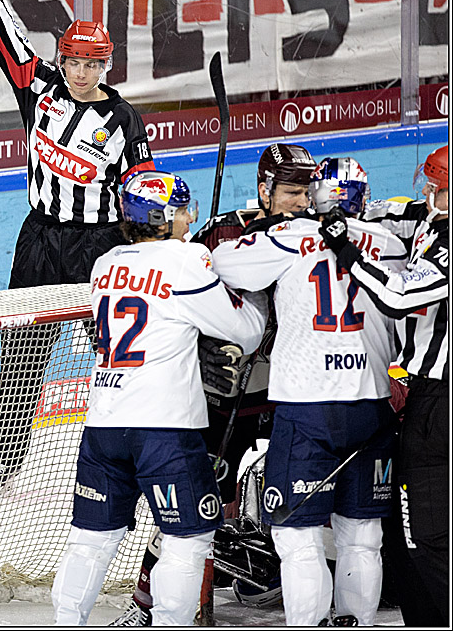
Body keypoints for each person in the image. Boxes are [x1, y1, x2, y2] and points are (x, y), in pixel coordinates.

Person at [111, 142, 318, 625]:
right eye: (290, 191)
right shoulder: (226, 231)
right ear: (264, 189)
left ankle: (271, 573)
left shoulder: (316, 233)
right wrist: (205, 344)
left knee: (302, 488)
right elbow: (181, 294)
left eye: (306, 191)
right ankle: (155, 601)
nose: (300, 202)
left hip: (290, 384)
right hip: (227, 394)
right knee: (201, 495)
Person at [0, 0, 155, 488]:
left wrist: (151, 243)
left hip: (98, 245)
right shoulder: (40, 87)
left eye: (91, 64)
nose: (80, 72)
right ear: (63, 59)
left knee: (115, 352)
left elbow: (143, 187)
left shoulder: (124, 120)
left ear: (106, 66)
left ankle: (123, 453)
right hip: (40, 237)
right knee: (22, 352)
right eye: (73, 61)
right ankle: (6, 457)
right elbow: (5, 34)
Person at [51, 171, 268, 625]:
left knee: (90, 543)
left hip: (104, 423)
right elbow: (244, 332)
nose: (191, 218)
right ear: (164, 216)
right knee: (188, 542)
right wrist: (255, 297)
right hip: (166, 430)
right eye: (184, 210)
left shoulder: (105, 263)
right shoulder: (187, 260)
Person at [210, 157, 408, 626]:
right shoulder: (390, 243)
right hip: (372, 406)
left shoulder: (290, 238)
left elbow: (224, 262)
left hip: (307, 409)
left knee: (298, 539)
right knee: (363, 536)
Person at [317, 146, 448, 626]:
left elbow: (397, 295)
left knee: (423, 537)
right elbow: (386, 211)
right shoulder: (427, 218)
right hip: (429, 397)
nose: (429, 195)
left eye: (438, 188)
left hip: (440, 404)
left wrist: (345, 250)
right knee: (408, 533)